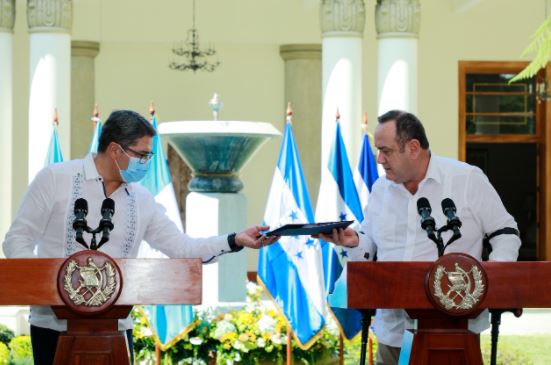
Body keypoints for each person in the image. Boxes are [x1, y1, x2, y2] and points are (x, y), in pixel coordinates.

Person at [2, 109, 278, 365]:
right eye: (142, 155)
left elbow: (182, 248)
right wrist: (48, 285)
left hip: (116, 328)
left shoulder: (142, 199)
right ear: (114, 150)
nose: (146, 163)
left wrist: (235, 239)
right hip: (53, 326)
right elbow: (17, 240)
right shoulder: (54, 178)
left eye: (149, 157)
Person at [317, 110, 521, 365]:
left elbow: (505, 232)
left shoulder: (466, 179)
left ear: (413, 147)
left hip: (454, 332)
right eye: (377, 151)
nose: (379, 159)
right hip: (393, 333)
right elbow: (371, 244)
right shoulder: (381, 189)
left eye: (386, 151)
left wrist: (495, 282)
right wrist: (355, 241)